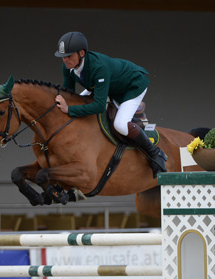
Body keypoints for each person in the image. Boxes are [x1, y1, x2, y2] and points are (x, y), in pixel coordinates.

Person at [53, 31, 167, 178]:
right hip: (109, 86)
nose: (65, 60)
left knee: (120, 124)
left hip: (132, 86)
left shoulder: (98, 67)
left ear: (81, 53)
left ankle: (155, 153)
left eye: (69, 56)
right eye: (63, 56)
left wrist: (69, 109)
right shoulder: (68, 68)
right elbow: (69, 94)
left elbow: (99, 106)